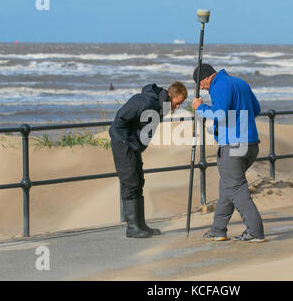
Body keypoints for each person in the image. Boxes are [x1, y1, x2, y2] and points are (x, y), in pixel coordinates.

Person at [192, 64, 265, 243]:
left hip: (233, 146)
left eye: (200, 84)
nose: (201, 88)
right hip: (251, 143)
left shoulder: (219, 85)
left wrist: (200, 107)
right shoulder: (241, 83)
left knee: (236, 188)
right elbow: (256, 109)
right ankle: (218, 229)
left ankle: (255, 232)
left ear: (207, 77)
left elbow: (220, 113)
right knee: (228, 187)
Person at [109, 82, 187, 238]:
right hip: (124, 144)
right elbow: (120, 119)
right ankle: (132, 227)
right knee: (130, 182)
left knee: (139, 181)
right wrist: (128, 140)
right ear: (170, 95)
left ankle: (140, 224)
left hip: (134, 147)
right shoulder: (145, 101)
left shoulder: (161, 105)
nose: (178, 107)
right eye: (177, 103)